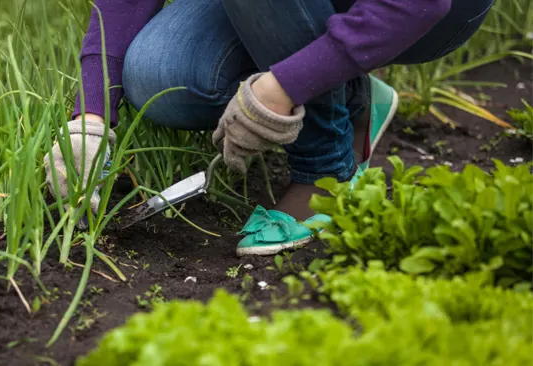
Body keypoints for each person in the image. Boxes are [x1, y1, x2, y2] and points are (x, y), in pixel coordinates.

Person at [45, 0, 494, 256]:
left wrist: (284, 87)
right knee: (160, 76)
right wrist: (91, 116)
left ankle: (324, 170)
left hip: (431, 12)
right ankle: (351, 96)